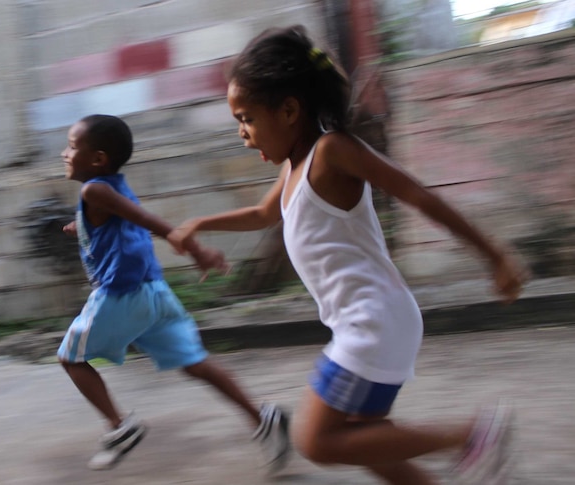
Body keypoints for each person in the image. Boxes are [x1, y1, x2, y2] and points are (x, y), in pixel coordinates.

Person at [167, 26, 528, 485]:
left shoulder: (332, 151)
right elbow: (262, 213)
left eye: (247, 118)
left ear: (289, 110)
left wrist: (494, 255)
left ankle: (474, 435)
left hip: (372, 321)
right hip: (368, 321)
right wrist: (199, 224)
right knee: (364, 441)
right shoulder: (294, 167)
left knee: (315, 439)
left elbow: (416, 195)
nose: (242, 133)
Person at [57, 114, 290, 472]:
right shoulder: (109, 188)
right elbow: (123, 220)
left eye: (72, 146)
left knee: (71, 358)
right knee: (194, 361)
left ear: (98, 159)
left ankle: (119, 427)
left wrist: (194, 247)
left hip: (121, 295)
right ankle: (262, 417)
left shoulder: (94, 190)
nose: (65, 153)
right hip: (155, 293)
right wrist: (83, 226)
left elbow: (147, 220)